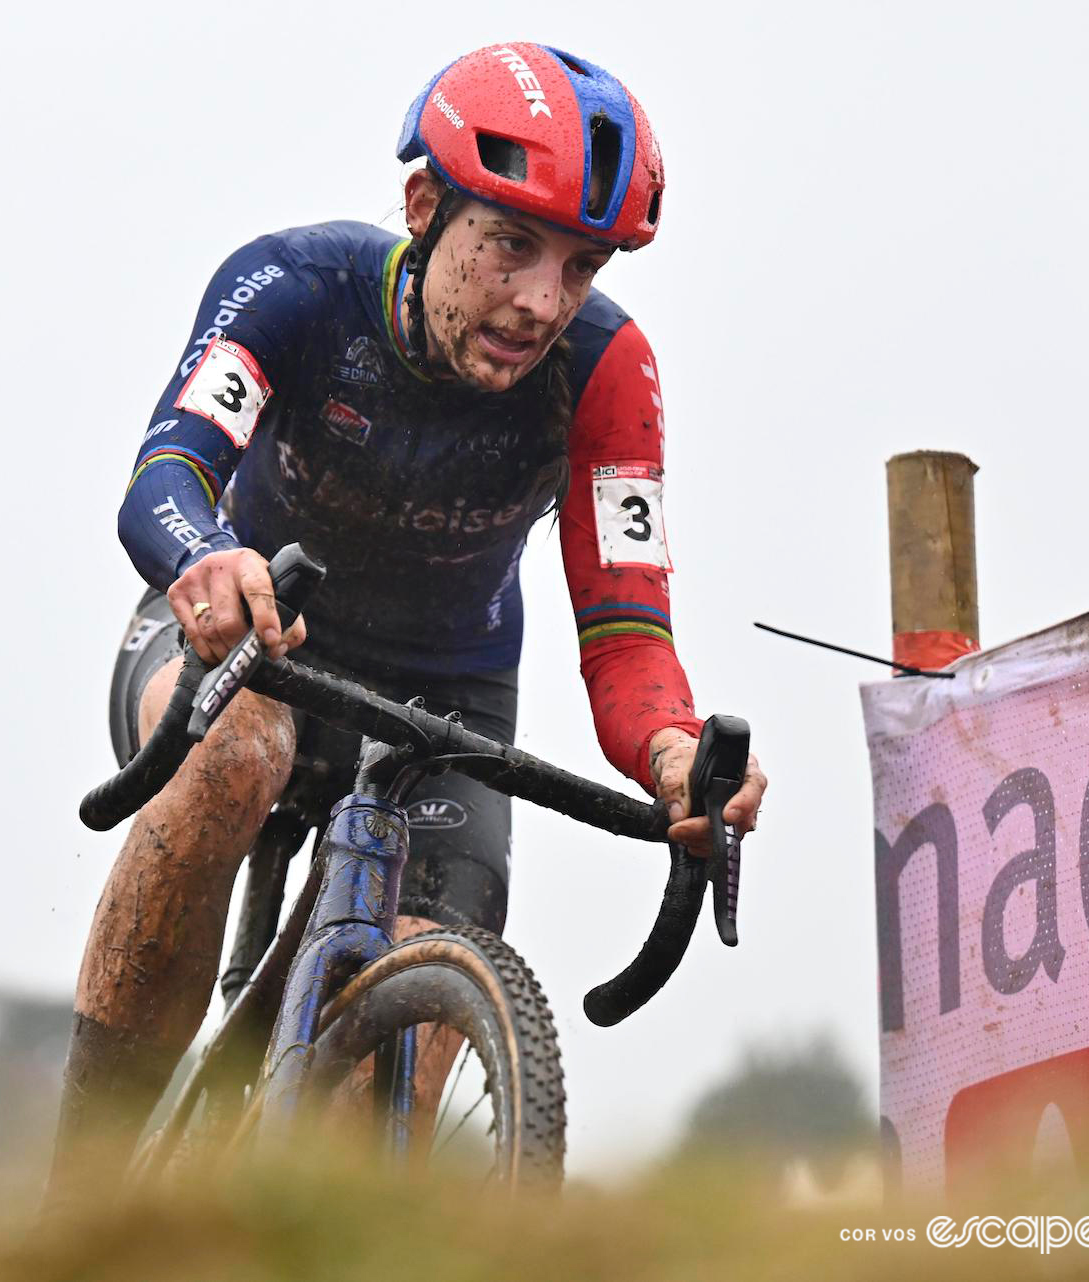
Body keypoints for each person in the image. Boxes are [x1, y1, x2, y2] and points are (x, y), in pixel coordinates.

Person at [49, 42, 769, 1194]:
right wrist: (208, 560)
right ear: (426, 206)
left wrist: (674, 752)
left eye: (582, 265)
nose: (544, 301)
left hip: (447, 699)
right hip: (249, 638)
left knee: (428, 986)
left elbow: (627, 630)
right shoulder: (293, 286)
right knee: (238, 757)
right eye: (513, 245)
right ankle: (78, 1194)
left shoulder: (609, 372)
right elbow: (165, 478)